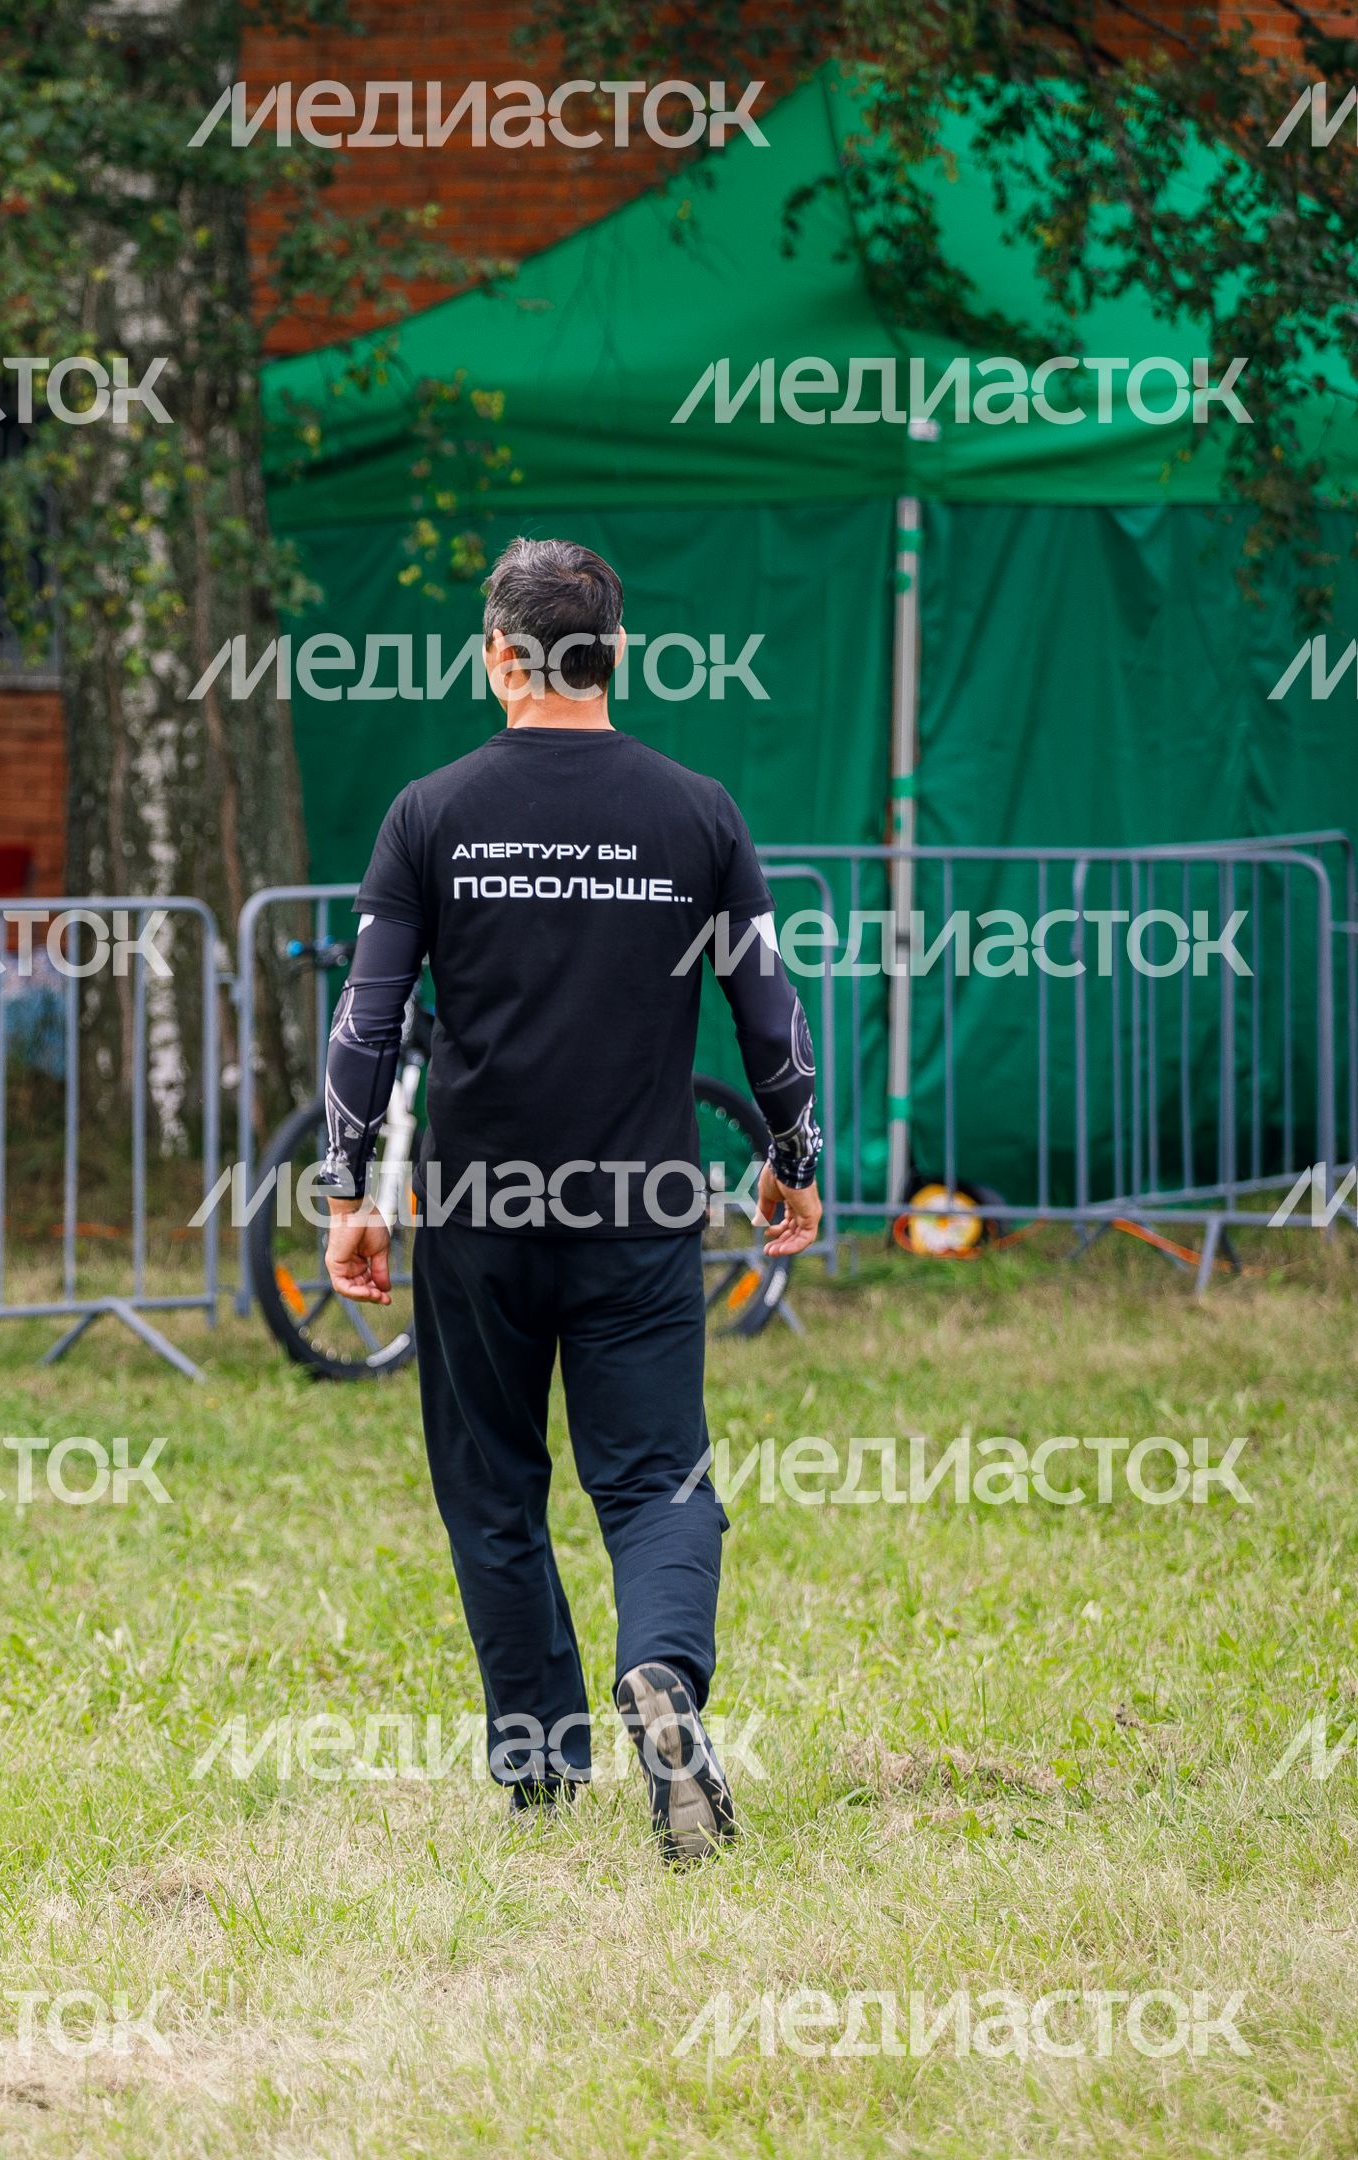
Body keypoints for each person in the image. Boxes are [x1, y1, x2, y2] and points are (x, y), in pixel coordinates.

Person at [317, 536, 822, 1867]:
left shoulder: (430, 812)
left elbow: (368, 1021)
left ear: (499, 655)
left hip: (476, 1210)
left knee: (492, 1486)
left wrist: (346, 1187)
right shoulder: (698, 812)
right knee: (659, 1483)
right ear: (617, 656)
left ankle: (542, 1768)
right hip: (641, 1208)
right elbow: (767, 1013)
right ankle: (663, 1673)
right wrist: (794, 1157)